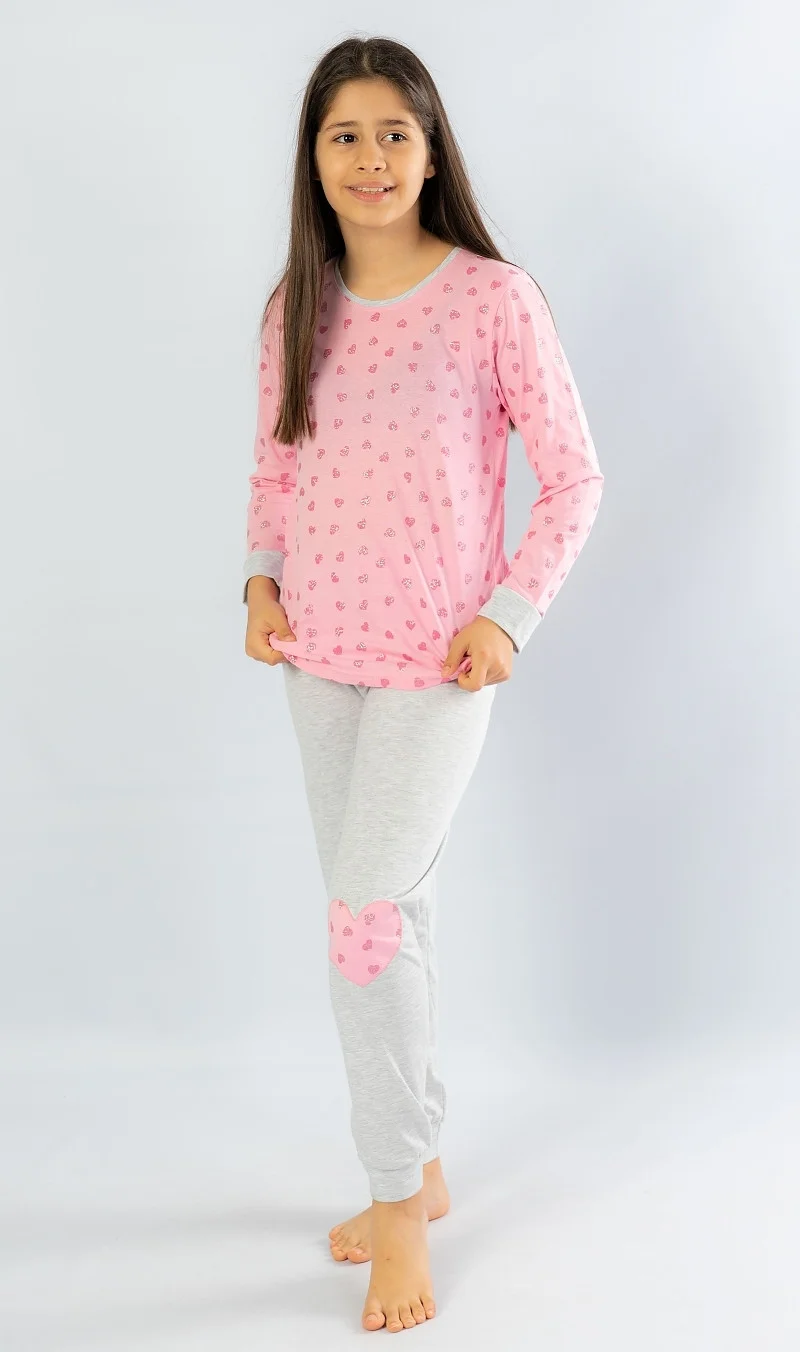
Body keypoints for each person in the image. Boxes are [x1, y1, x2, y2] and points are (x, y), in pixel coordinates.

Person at [242, 35, 604, 1334]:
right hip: (317, 663)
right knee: (393, 916)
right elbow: (276, 467)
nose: (371, 157)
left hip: (438, 668)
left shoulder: (494, 300)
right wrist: (260, 582)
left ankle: (396, 1201)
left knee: (364, 926)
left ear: (433, 150)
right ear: (313, 157)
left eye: (395, 132)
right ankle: (428, 1159)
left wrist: (510, 616)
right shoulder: (295, 308)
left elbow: (575, 478)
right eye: (344, 134)